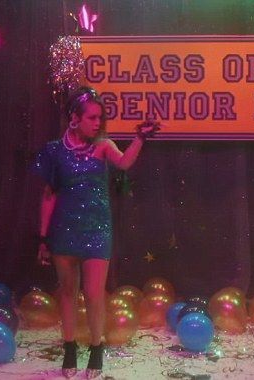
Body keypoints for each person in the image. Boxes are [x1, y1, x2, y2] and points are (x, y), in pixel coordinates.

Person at [33, 86, 158, 379]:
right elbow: (49, 196)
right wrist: (42, 237)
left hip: (97, 230)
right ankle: (69, 348)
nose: (97, 123)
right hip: (64, 230)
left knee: (93, 294)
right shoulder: (54, 151)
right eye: (92, 117)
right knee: (67, 292)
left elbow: (124, 162)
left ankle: (96, 347)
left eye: (100, 118)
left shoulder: (103, 145)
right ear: (74, 118)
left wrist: (139, 137)